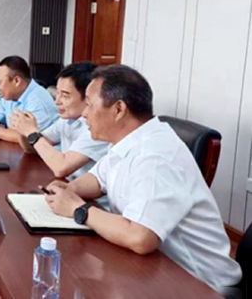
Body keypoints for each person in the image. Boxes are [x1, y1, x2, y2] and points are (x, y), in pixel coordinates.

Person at [44, 65, 242, 296]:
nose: (84, 113)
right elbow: (97, 179)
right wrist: (70, 188)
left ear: (119, 109)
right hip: (156, 269)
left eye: (89, 104)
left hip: (199, 284)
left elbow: (140, 237)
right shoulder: (128, 140)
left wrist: (79, 209)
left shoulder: (156, 156)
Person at [9, 62, 109, 179]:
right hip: (69, 185)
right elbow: (31, 148)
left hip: (86, 190)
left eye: (65, 95)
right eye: (58, 93)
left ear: (88, 97)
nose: (57, 101)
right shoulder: (66, 120)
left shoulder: (97, 127)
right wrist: (22, 130)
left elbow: (61, 168)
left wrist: (31, 132)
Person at [0, 56, 58, 142]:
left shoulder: (38, 101)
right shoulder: (11, 96)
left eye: (0, 82)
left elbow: (27, 137)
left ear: (16, 81)